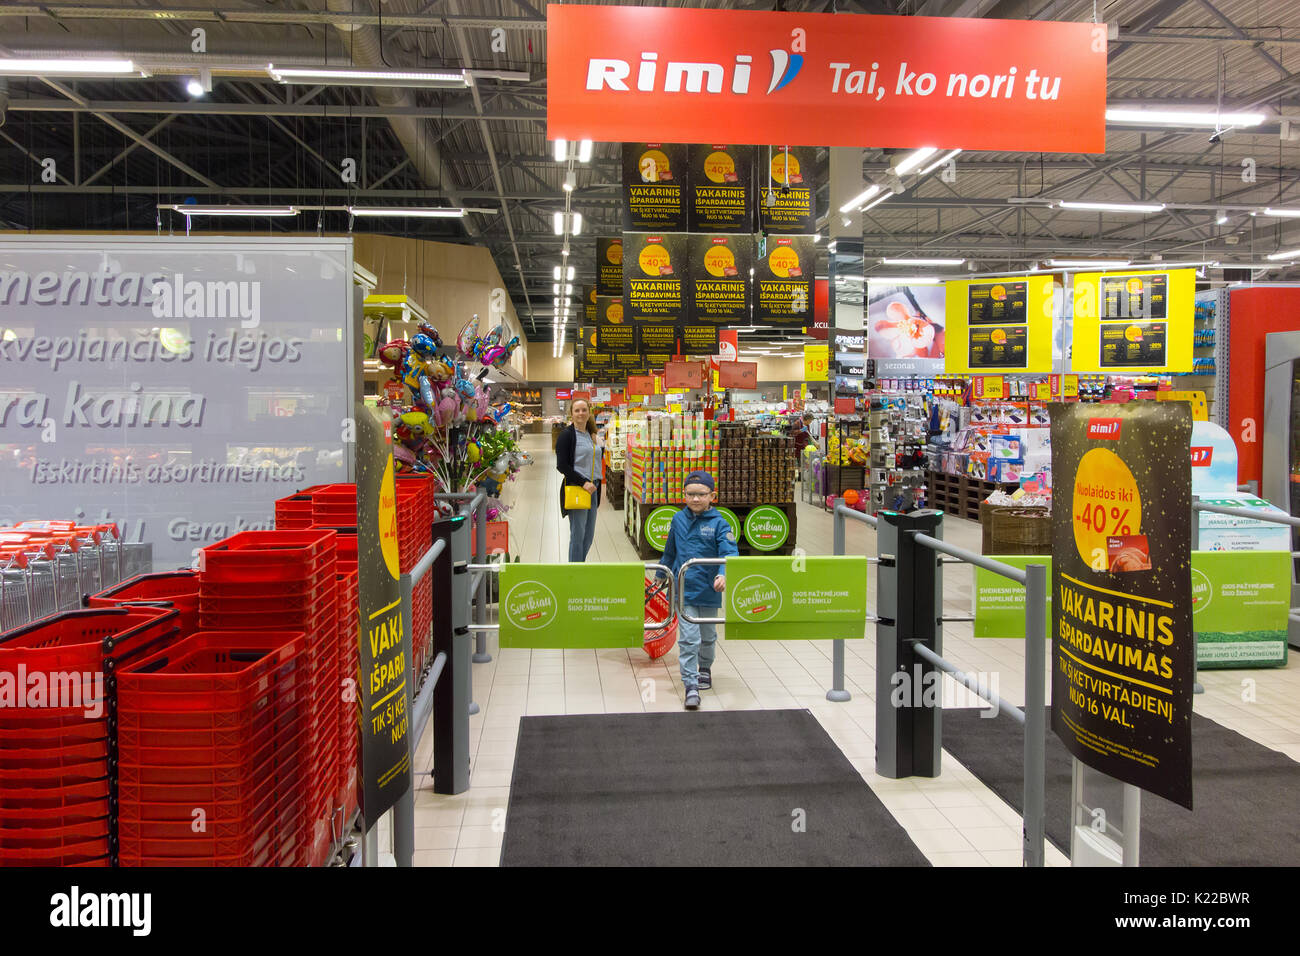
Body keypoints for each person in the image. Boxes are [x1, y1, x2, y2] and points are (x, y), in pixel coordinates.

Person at [661, 471, 739, 710]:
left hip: (708, 589)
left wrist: (723, 574)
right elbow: (670, 551)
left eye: (701, 494)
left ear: (712, 496)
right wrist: (660, 575)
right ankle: (690, 684)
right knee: (688, 638)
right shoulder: (677, 520)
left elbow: (729, 552)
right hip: (683, 590)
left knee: (708, 637)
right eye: (690, 494)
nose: (695, 499)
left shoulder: (720, 523)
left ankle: (704, 668)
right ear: (684, 495)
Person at [555, 398, 602, 562]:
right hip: (578, 489)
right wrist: (583, 482)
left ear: (589, 412)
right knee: (578, 535)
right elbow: (562, 466)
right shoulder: (567, 436)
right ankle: (575, 572)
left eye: (584, 410)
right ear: (572, 414)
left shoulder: (591, 435)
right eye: (577, 410)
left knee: (589, 536)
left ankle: (579, 567)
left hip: (594, 489)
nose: (581, 413)